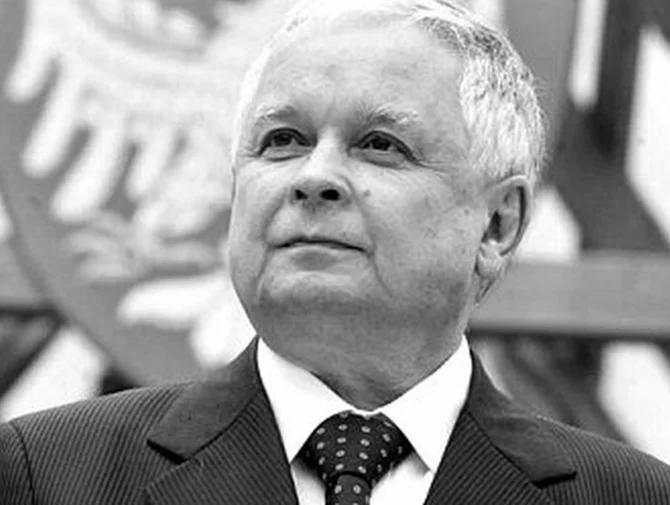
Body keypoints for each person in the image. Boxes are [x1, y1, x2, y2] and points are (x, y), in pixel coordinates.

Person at [2, 0, 670, 503]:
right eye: (282, 140)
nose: (312, 176)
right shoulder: (45, 475)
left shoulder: (632, 496)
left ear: (497, 224)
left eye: (380, 145)